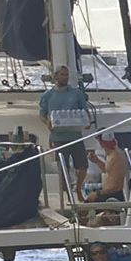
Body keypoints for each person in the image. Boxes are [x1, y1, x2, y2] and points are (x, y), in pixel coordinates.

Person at [38, 65, 91, 197]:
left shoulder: (77, 93)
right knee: (63, 167)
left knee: (83, 165)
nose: (65, 77)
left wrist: (87, 121)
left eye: (66, 74)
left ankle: (78, 188)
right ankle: (68, 193)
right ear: (55, 76)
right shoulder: (47, 95)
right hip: (58, 137)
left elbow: (84, 110)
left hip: (75, 135)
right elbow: (42, 114)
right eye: (62, 74)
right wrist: (47, 122)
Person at [88, 136, 130, 203]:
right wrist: (96, 161)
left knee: (85, 206)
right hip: (108, 193)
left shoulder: (116, 157)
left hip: (114, 195)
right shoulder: (110, 155)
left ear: (101, 143)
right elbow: (108, 171)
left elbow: (117, 187)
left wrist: (97, 193)